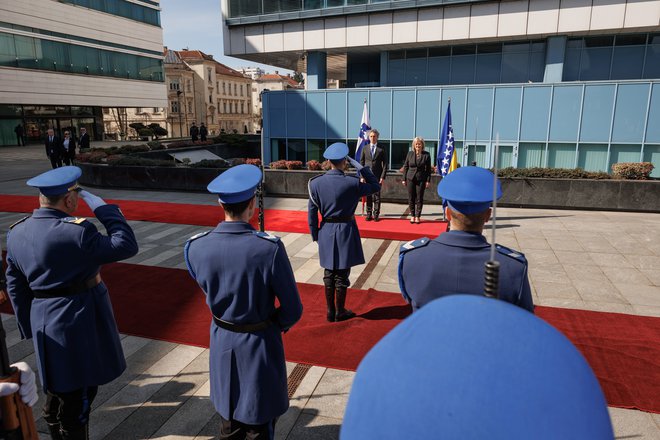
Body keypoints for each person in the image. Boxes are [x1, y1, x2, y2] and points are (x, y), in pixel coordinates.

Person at [340, 295, 614, 439]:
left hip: (427, 339)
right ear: (486, 214)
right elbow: (525, 310)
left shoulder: (379, 369)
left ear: (447, 211)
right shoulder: (569, 377)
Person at [5, 166, 139, 440]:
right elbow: (126, 244)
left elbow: (15, 285)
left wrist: (28, 325)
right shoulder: (76, 231)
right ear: (68, 200)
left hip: (43, 317)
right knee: (80, 394)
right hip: (78, 318)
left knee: (58, 384)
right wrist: (106, 210)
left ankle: (53, 424)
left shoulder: (16, 232)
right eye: (75, 195)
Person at [184, 164, 303, 440]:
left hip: (222, 340)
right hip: (259, 344)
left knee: (229, 422)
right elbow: (293, 309)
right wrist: (273, 324)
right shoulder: (268, 249)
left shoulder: (195, 247)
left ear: (219, 203)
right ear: (252, 205)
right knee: (259, 426)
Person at [398, 166, 534, 312]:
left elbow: (410, 299)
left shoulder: (411, 257)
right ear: (488, 215)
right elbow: (525, 320)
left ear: (447, 213)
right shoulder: (513, 267)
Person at [308, 142, 381, 322]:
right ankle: (339, 311)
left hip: (325, 229)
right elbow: (375, 186)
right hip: (346, 230)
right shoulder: (352, 183)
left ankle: (330, 311)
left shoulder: (315, 183)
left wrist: (315, 234)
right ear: (345, 161)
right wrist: (362, 168)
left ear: (328, 161)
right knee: (342, 273)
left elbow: (311, 212)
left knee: (328, 272)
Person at [401, 137, 432, 224]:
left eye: (419, 144)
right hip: (410, 178)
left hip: (421, 179)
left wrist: (428, 180)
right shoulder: (410, 154)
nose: (418, 145)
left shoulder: (426, 155)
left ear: (422, 145)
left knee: (419, 198)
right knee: (411, 198)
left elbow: (428, 170)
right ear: (414, 145)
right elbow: (406, 166)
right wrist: (404, 179)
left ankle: (418, 216)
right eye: (416, 144)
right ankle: (412, 216)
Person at [359, 129, 387, 221]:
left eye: (374, 136)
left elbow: (385, 164)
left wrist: (382, 177)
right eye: (371, 136)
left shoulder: (382, 149)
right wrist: (362, 176)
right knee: (369, 195)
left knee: (377, 196)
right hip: (367, 176)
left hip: (378, 176)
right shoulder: (365, 148)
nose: (372, 138)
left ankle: (376, 215)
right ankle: (369, 214)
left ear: (377, 137)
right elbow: (361, 163)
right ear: (369, 137)